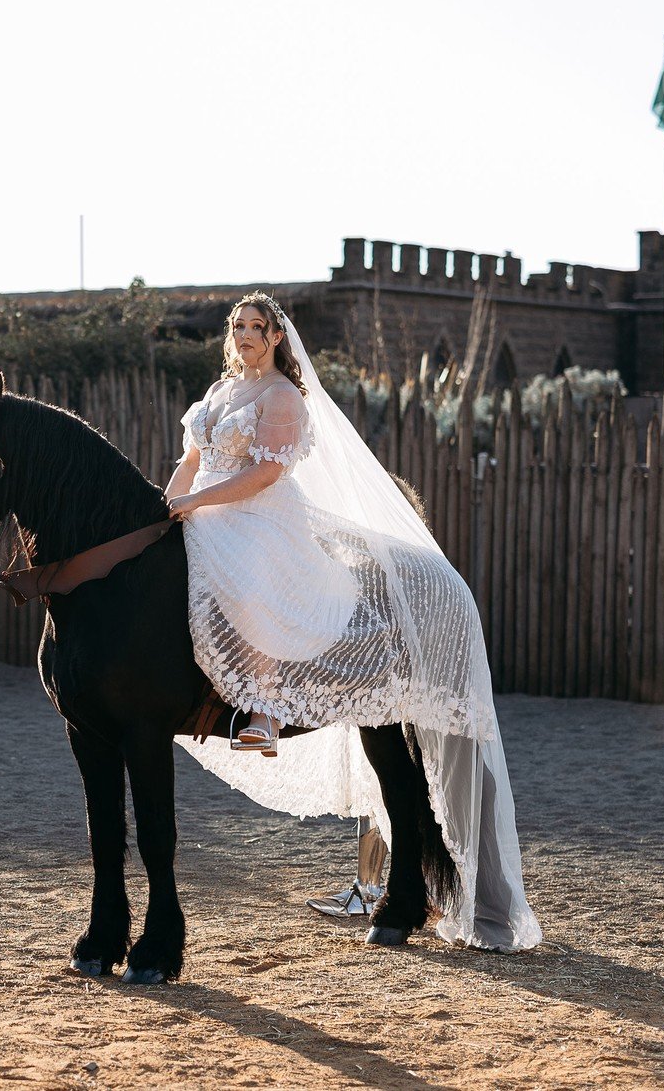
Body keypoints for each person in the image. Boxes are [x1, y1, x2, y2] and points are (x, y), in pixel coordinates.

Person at [162, 292, 540, 952]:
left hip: (260, 519)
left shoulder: (281, 398)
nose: (245, 336)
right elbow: (190, 462)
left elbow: (266, 475)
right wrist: (166, 505)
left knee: (251, 577)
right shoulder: (219, 392)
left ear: (278, 337)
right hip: (207, 509)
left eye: (257, 328)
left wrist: (196, 502)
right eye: (238, 327)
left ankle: (262, 708)